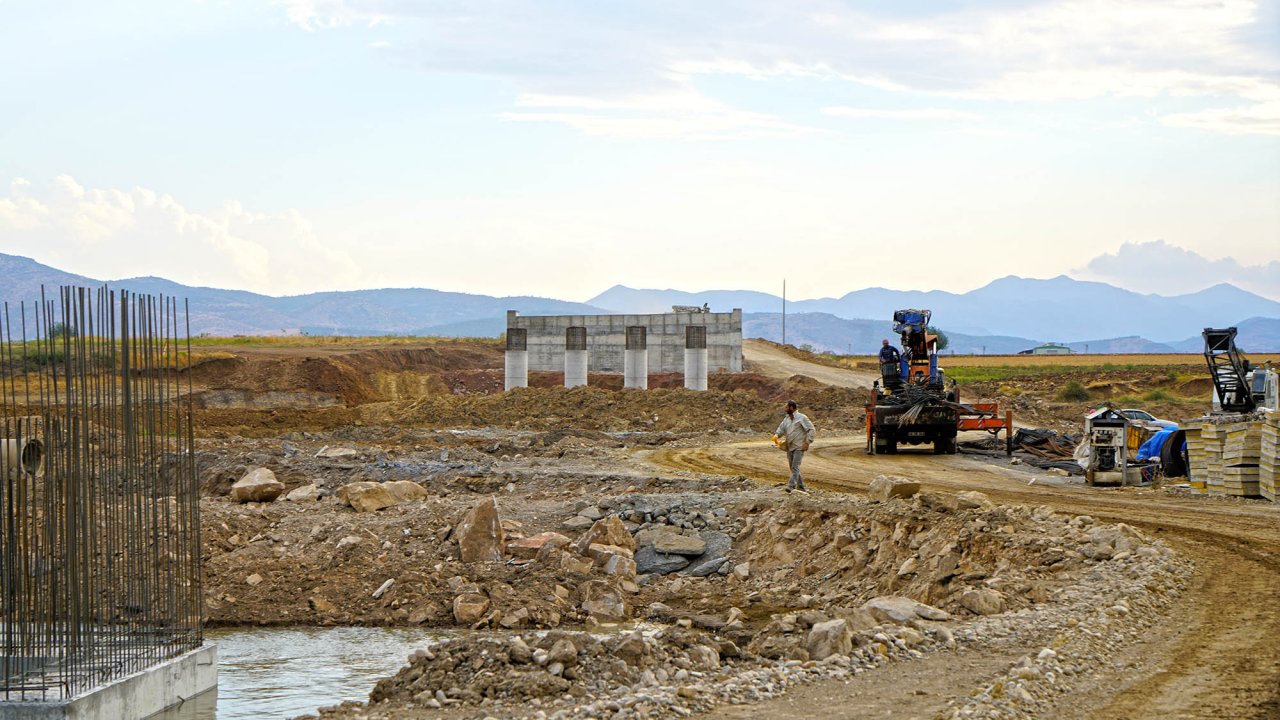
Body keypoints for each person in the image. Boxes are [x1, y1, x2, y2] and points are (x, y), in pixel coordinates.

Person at [773, 400, 816, 493]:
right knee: (793, 467)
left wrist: (807, 442)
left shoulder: (802, 418)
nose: (785, 408)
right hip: (789, 446)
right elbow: (781, 428)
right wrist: (776, 435)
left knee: (795, 467)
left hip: (799, 446)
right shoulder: (787, 419)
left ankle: (790, 486)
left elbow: (811, 430)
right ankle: (801, 487)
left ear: (792, 408)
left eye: (786, 407)